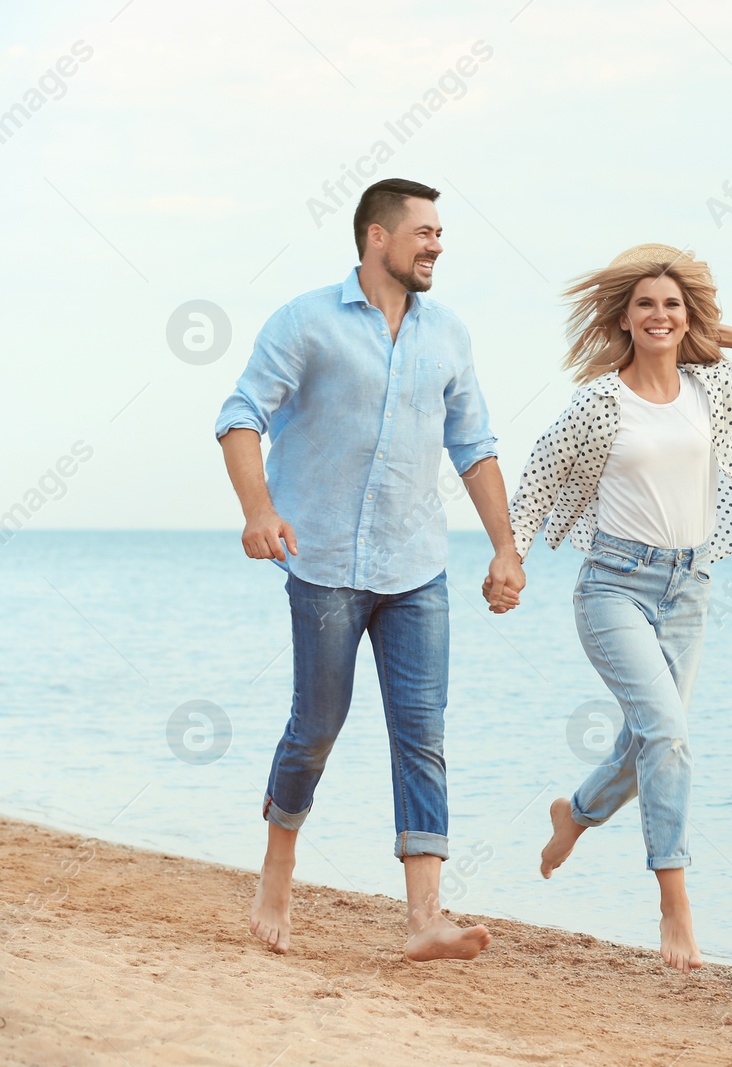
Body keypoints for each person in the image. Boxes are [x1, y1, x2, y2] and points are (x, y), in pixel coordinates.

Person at [491, 243, 732, 973]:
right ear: (623, 317)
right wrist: (508, 557)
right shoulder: (600, 402)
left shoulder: (712, 389)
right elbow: (539, 478)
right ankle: (675, 904)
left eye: (672, 303)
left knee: (649, 742)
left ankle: (573, 815)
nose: (659, 314)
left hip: (688, 589)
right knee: (668, 734)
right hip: (613, 586)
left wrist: (713, 332)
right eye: (646, 303)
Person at [215, 177, 526, 960]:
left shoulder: (448, 333)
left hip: (417, 565)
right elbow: (241, 415)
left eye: (441, 232)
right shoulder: (306, 321)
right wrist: (258, 508)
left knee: (422, 733)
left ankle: (425, 917)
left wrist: (505, 546)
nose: (437, 244)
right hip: (320, 559)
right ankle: (279, 860)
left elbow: (475, 446)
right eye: (424, 231)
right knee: (316, 727)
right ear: (377, 237)